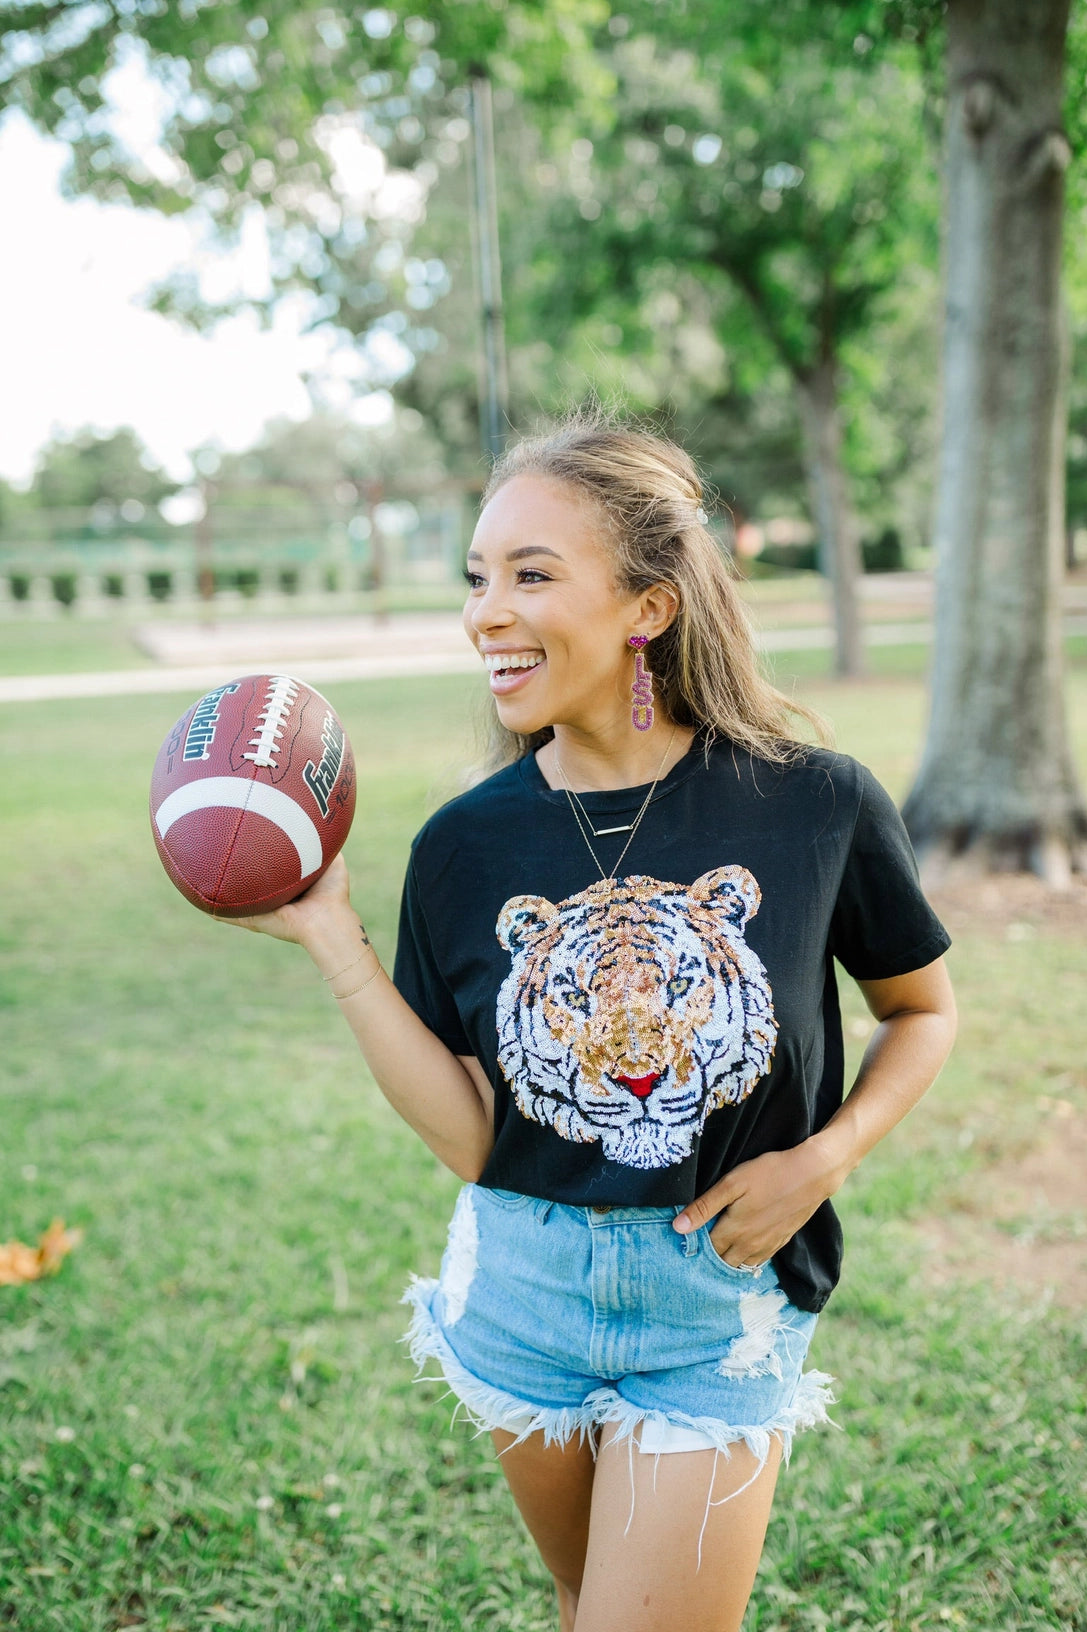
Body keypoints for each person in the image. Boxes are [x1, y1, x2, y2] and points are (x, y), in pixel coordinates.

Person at [232, 419, 957, 1632]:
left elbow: (922, 1010)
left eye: (530, 574)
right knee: (589, 1606)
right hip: (518, 1286)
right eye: (475, 579)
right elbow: (475, 1142)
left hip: (712, 1303)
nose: (484, 614)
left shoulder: (809, 800)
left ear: (647, 608)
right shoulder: (464, 844)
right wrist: (330, 939)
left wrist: (820, 1160)